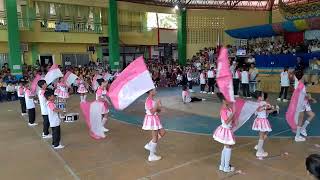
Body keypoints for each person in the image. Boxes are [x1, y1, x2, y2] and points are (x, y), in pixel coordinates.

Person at [213, 93, 235, 173]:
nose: (229, 100)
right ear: (223, 101)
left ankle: (222, 165)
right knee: (228, 147)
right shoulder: (223, 110)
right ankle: (226, 167)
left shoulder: (229, 109)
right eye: (227, 99)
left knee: (226, 147)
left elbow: (231, 121)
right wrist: (233, 113)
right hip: (225, 130)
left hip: (228, 129)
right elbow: (226, 122)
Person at [252, 91, 278, 159]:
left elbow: (265, 111)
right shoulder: (260, 103)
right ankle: (259, 151)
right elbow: (259, 110)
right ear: (259, 97)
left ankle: (259, 147)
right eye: (263, 96)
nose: (264, 97)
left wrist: (273, 109)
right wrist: (265, 106)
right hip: (261, 120)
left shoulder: (262, 103)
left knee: (265, 133)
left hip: (261, 120)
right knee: (262, 135)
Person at [142, 89, 166, 162]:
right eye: (154, 90)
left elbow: (157, 110)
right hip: (152, 119)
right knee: (155, 137)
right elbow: (152, 112)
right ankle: (151, 156)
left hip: (155, 118)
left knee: (162, 132)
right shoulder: (148, 100)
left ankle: (149, 145)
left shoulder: (152, 99)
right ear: (150, 92)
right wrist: (156, 104)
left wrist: (160, 106)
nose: (156, 91)